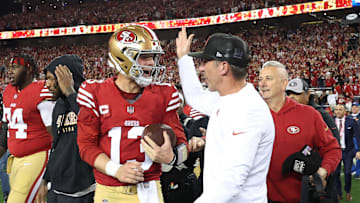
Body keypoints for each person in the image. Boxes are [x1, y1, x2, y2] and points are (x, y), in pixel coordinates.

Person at [76, 25, 188, 203]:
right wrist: (116, 170)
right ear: (123, 57)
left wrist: (172, 157)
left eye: (152, 57)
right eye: (144, 57)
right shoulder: (95, 92)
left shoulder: (164, 94)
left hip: (149, 188)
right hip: (109, 190)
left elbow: (182, 144)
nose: (151, 63)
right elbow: (85, 146)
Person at [176, 27, 275, 202]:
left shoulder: (249, 110)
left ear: (223, 67)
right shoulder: (227, 99)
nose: (201, 68)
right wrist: (184, 59)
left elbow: (230, 181)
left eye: (205, 62)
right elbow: (195, 96)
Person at [258, 61, 341, 203]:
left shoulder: (309, 115)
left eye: (269, 78)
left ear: (283, 84)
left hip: (301, 198)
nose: (262, 83)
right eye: (260, 79)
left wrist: (322, 172)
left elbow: (332, 149)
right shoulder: (250, 116)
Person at [35, 55, 95, 203]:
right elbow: (57, 147)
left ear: (66, 77)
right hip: (57, 190)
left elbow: (91, 123)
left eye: (51, 79)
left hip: (82, 192)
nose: (47, 85)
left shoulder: (89, 100)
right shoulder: (59, 106)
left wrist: (70, 92)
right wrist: (45, 179)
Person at [2, 53, 55, 202]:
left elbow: (54, 133)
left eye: (15, 67)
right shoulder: (8, 91)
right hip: (15, 159)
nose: (10, 72)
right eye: (9, 68)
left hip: (36, 156)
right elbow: (6, 126)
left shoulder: (41, 90)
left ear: (29, 69)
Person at [285, 78, 340, 143]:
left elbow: (334, 142)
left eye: (297, 93)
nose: (291, 97)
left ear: (307, 94)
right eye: (288, 94)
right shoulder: (285, 114)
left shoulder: (320, 114)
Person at [333, 104, 360, 201]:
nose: (338, 111)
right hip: (335, 151)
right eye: (336, 109)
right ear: (334, 111)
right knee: (336, 173)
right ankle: (338, 193)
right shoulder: (330, 122)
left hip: (348, 151)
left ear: (345, 111)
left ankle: (348, 191)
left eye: (340, 109)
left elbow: (358, 135)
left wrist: (359, 150)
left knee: (348, 172)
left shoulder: (351, 121)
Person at [350, 101, 360, 179]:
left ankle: (358, 172)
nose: (354, 108)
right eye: (353, 106)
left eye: (355, 106)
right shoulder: (348, 117)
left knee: (358, 155)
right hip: (349, 138)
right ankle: (352, 169)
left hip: (357, 138)